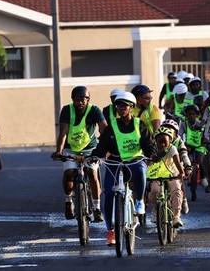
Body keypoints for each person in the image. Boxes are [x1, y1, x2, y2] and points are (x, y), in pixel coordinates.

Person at [91, 91, 154, 247]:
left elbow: (147, 143)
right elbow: (103, 144)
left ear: (131, 108)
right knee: (108, 193)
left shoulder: (140, 124)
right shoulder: (112, 126)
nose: (120, 108)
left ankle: (139, 201)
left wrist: (151, 153)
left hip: (134, 161)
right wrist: (95, 155)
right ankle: (110, 231)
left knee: (141, 170)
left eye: (124, 105)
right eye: (118, 105)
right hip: (115, 162)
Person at [51, 86, 107, 222]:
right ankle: (69, 200)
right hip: (71, 149)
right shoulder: (67, 110)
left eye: (83, 100)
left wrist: (104, 149)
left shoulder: (94, 110)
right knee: (69, 172)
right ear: (73, 100)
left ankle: (96, 208)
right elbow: (63, 133)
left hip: (90, 149)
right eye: (77, 100)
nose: (80, 103)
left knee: (92, 173)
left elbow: (104, 129)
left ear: (88, 100)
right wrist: (59, 151)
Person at [146, 126, 185, 227]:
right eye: (160, 142)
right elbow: (149, 162)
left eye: (165, 142)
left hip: (172, 175)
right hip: (157, 176)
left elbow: (177, 162)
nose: (162, 144)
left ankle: (176, 216)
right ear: (156, 141)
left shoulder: (172, 148)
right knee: (154, 191)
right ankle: (156, 209)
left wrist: (181, 173)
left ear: (170, 141)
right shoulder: (152, 149)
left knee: (176, 189)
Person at [160, 118, 192, 214]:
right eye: (166, 128)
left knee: (179, 182)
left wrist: (187, 166)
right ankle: (156, 208)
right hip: (161, 168)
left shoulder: (179, 141)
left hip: (175, 167)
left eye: (171, 129)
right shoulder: (158, 140)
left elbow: (184, 154)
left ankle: (184, 200)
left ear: (176, 132)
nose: (168, 131)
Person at [180, 104, 209, 192]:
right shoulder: (184, 124)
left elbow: (206, 134)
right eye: (189, 114)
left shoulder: (201, 124)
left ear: (197, 115)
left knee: (200, 161)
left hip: (199, 146)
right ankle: (185, 171)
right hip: (188, 145)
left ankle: (203, 178)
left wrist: (205, 139)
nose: (191, 116)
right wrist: (182, 142)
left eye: (193, 114)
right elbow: (179, 135)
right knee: (185, 157)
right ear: (186, 115)